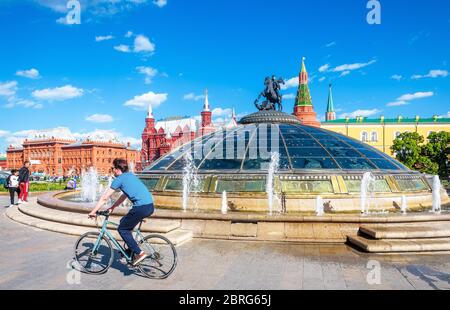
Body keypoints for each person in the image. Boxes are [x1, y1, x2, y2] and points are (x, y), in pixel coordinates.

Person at [88, 158, 154, 266]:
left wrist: (93, 211)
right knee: (124, 221)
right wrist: (113, 207)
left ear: (118, 169)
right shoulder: (131, 176)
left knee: (122, 229)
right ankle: (130, 250)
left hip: (141, 208)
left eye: (113, 168)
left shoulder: (119, 179)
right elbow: (124, 195)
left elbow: (104, 197)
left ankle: (140, 253)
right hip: (149, 206)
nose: (112, 170)